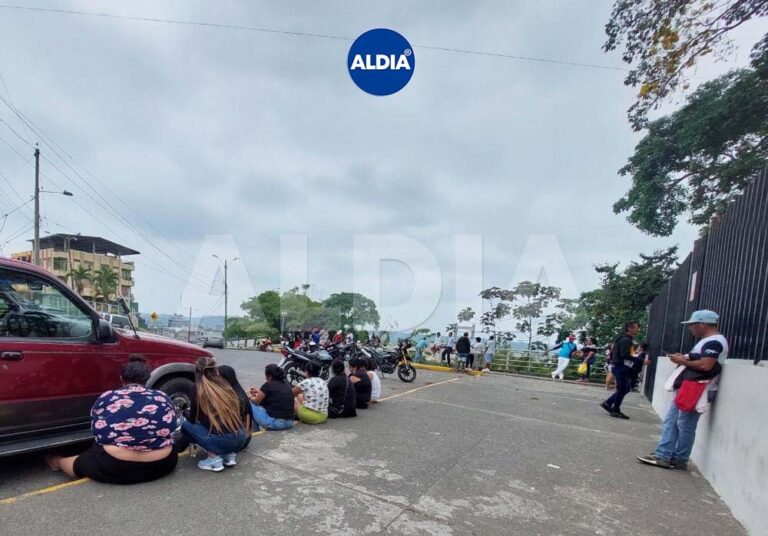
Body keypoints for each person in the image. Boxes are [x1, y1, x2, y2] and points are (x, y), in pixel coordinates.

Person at [45, 355, 179, 484]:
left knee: (79, 463)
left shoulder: (107, 397)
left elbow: (97, 431)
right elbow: (172, 426)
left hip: (114, 466)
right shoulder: (162, 397)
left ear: (122, 378)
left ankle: (56, 461)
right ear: (147, 379)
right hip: (162, 463)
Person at [638, 310, 728, 470]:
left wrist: (683, 361)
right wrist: (685, 357)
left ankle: (668, 456)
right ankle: (670, 455)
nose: (690, 328)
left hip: (697, 387)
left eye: (692, 325)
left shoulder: (714, 342)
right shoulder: (709, 341)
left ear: (702, 324)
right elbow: (701, 360)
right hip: (692, 386)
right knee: (675, 421)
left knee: (683, 423)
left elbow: (706, 365)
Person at [183, 357, 252, 472]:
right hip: (241, 438)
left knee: (185, 426)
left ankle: (214, 458)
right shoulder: (225, 384)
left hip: (224, 441)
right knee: (220, 425)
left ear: (198, 372)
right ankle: (229, 456)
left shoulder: (197, 388)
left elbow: (192, 420)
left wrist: (186, 413)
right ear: (215, 370)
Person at [601, 321, 645, 419]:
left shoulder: (625, 338)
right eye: (636, 327)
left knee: (625, 388)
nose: (638, 330)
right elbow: (624, 354)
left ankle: (608, 403)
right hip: (620, 366)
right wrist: (640, 360)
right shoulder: (626, 340)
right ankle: (615, 409)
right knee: (623, 389)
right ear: (630, 328)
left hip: (620, 366)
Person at [248, 364, 295, 430]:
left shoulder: (268, 385)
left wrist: (250, 397)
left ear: (269, 376)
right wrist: (259, 391)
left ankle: (255, 430)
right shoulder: (286, 385)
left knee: (249, 404)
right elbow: (274, 392)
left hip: (276, 423)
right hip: (289, 422)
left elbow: (256, 401)